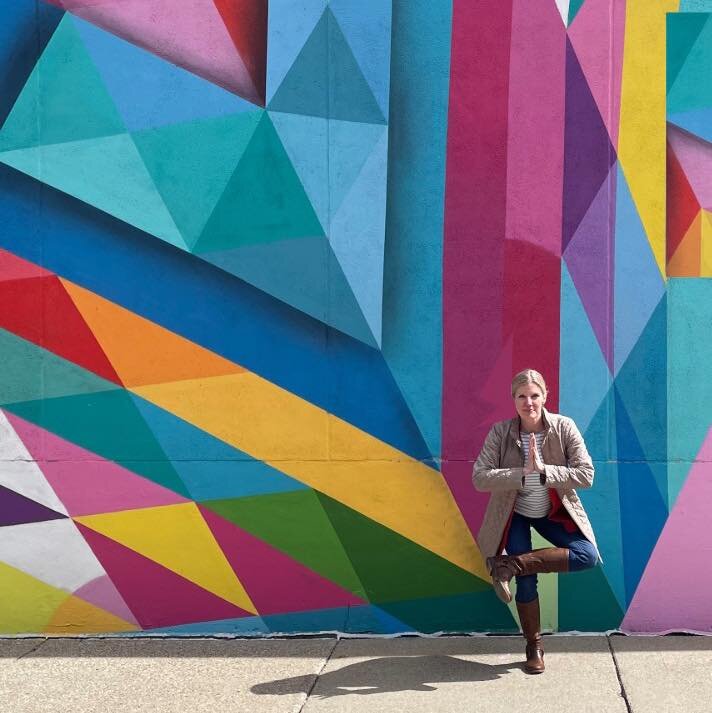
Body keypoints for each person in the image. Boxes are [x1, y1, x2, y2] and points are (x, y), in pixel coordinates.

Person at [472, 369, 599, 674]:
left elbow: (586, 474)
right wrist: (521, 474)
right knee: (528, 579)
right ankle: (534, 646)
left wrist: (545, 471)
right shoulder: (500, 432)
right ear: (513, 399)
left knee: (588, 555)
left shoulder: (563, 427)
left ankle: (508, 565)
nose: (528, 402)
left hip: (553, 512)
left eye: (534, 395)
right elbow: (479, 477)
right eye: (521, 396)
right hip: (514, 513)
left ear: (545, 396)